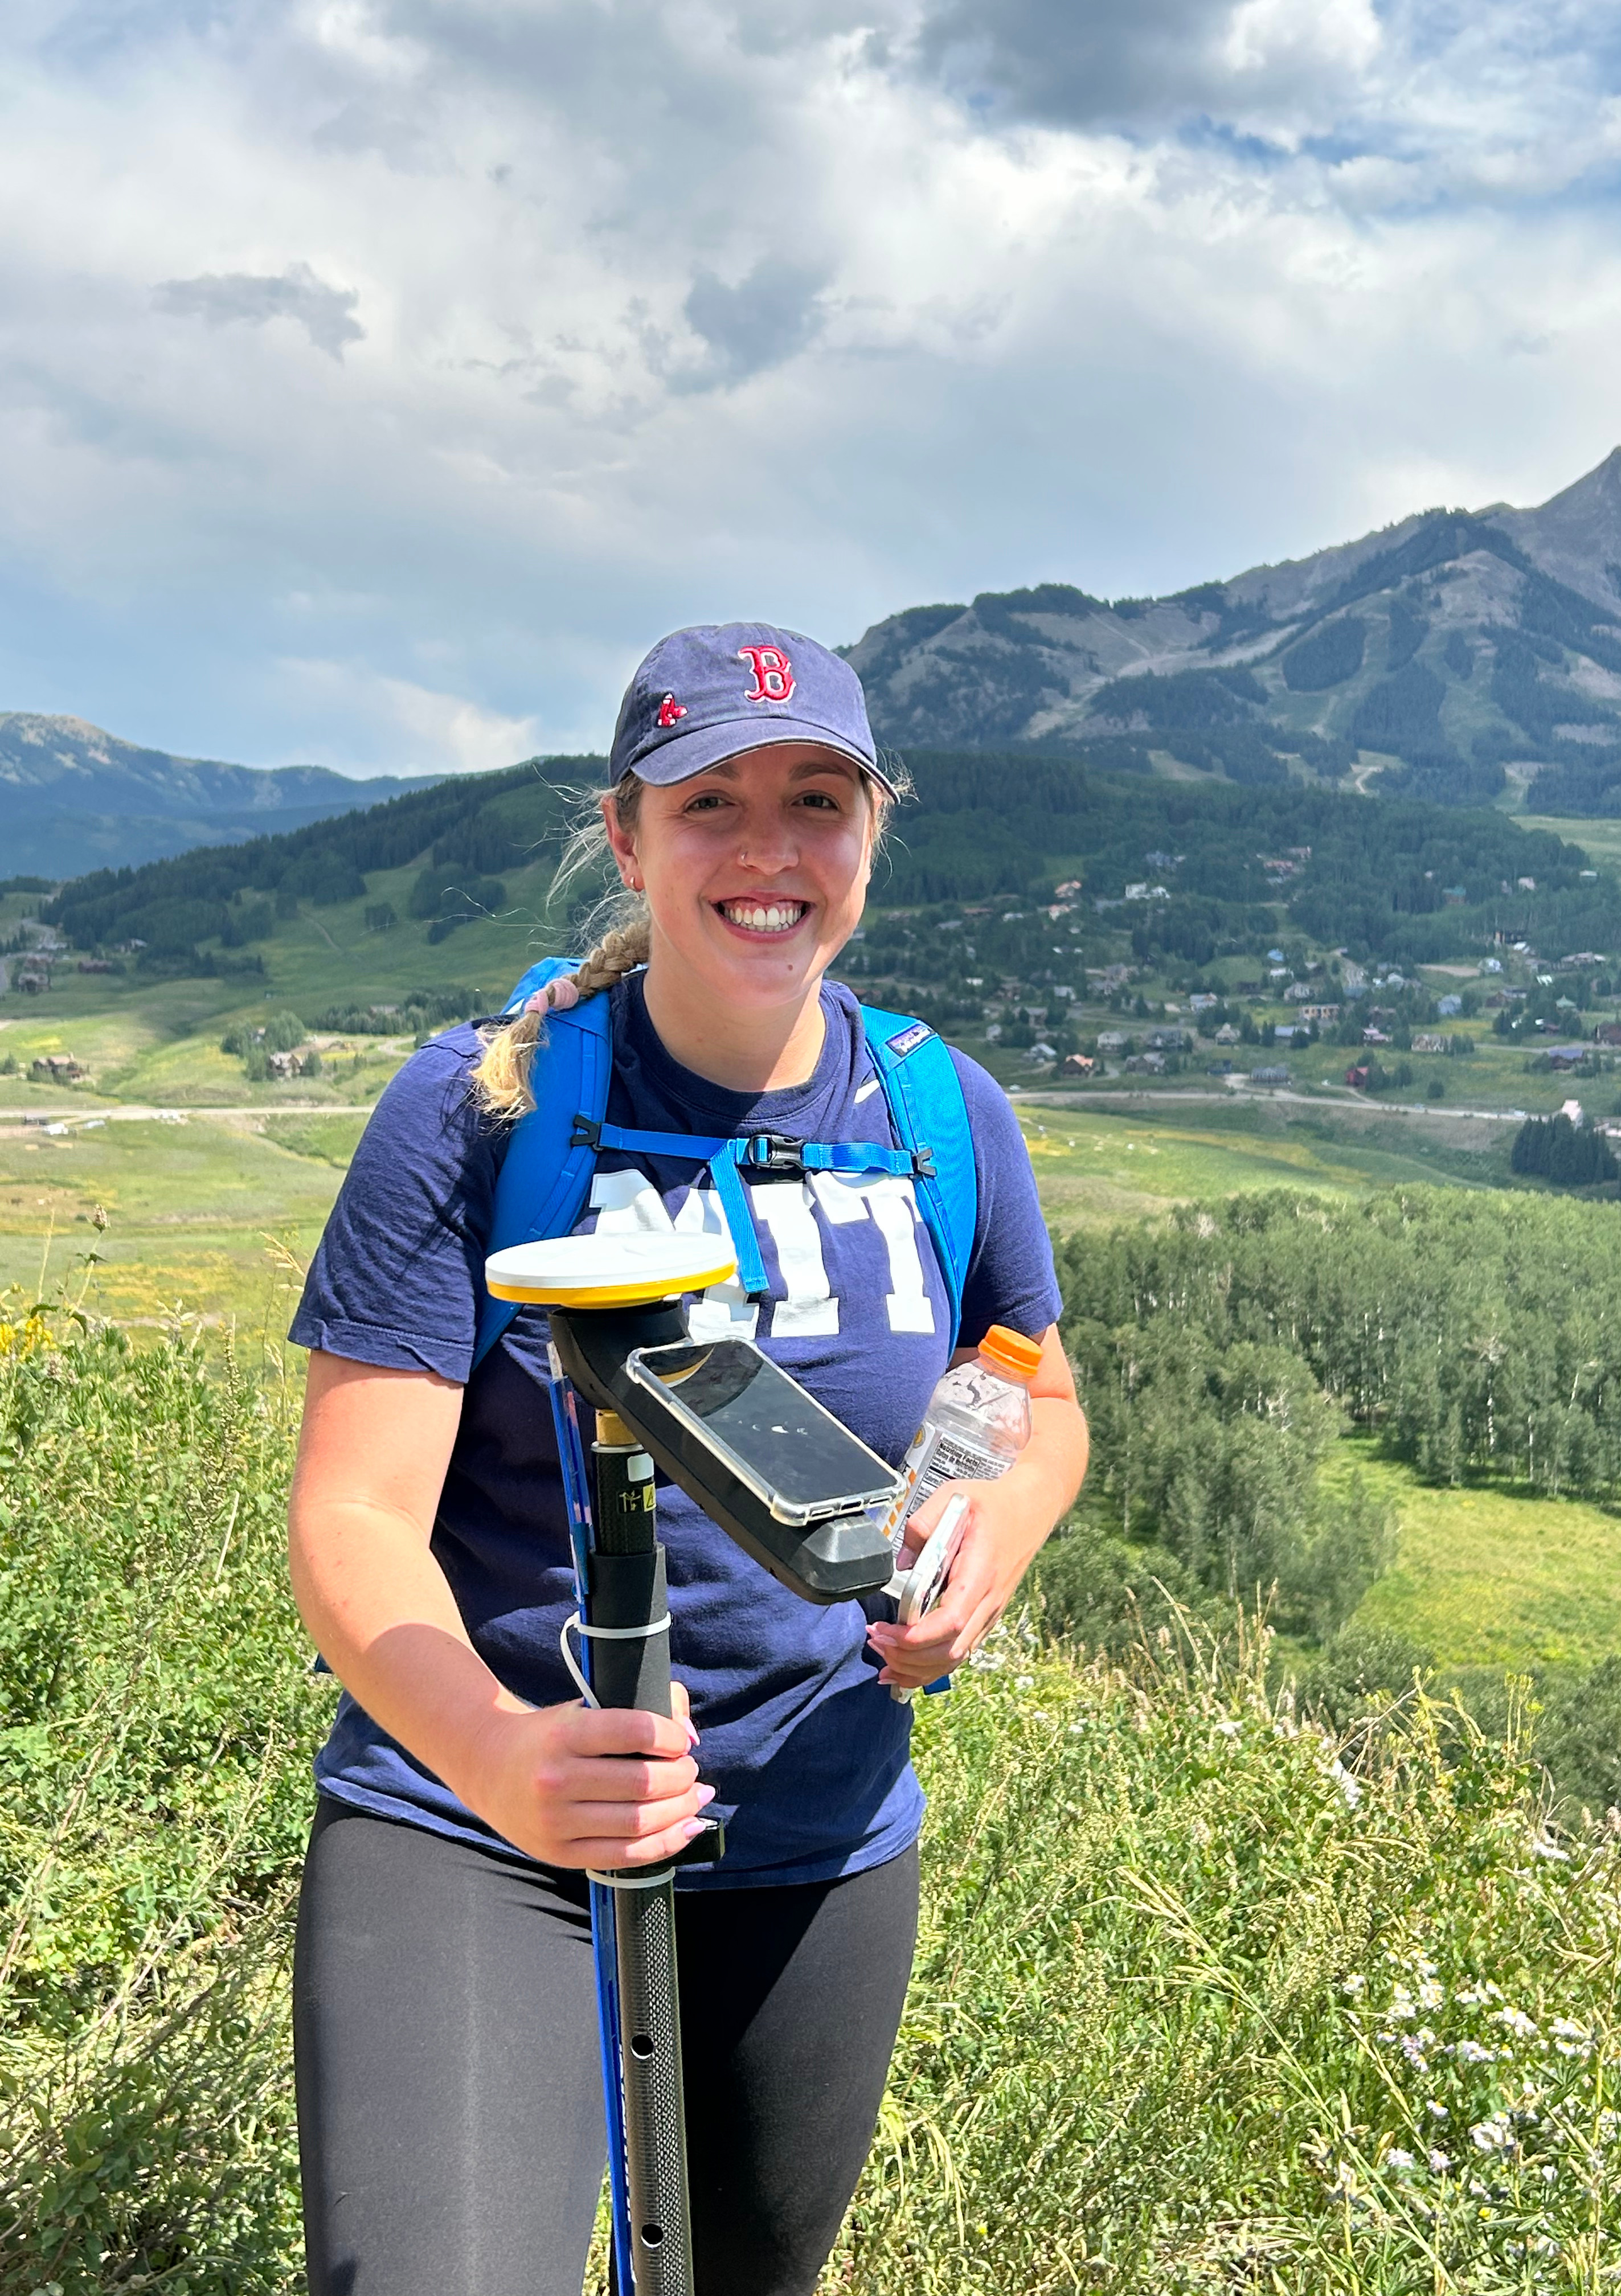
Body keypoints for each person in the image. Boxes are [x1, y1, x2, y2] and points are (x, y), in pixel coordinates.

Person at [286, 621, 1088, 2296]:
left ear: (875, 829)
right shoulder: (476, 1113)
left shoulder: (943, 1115)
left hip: (812, 1832)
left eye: (818, 799)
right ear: (626, 836)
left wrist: (995, 1520)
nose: (769, 850)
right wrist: (505, 1757)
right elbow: (354, 1519)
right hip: (476, 1823)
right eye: (709, 801)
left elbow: (1035, 1395)